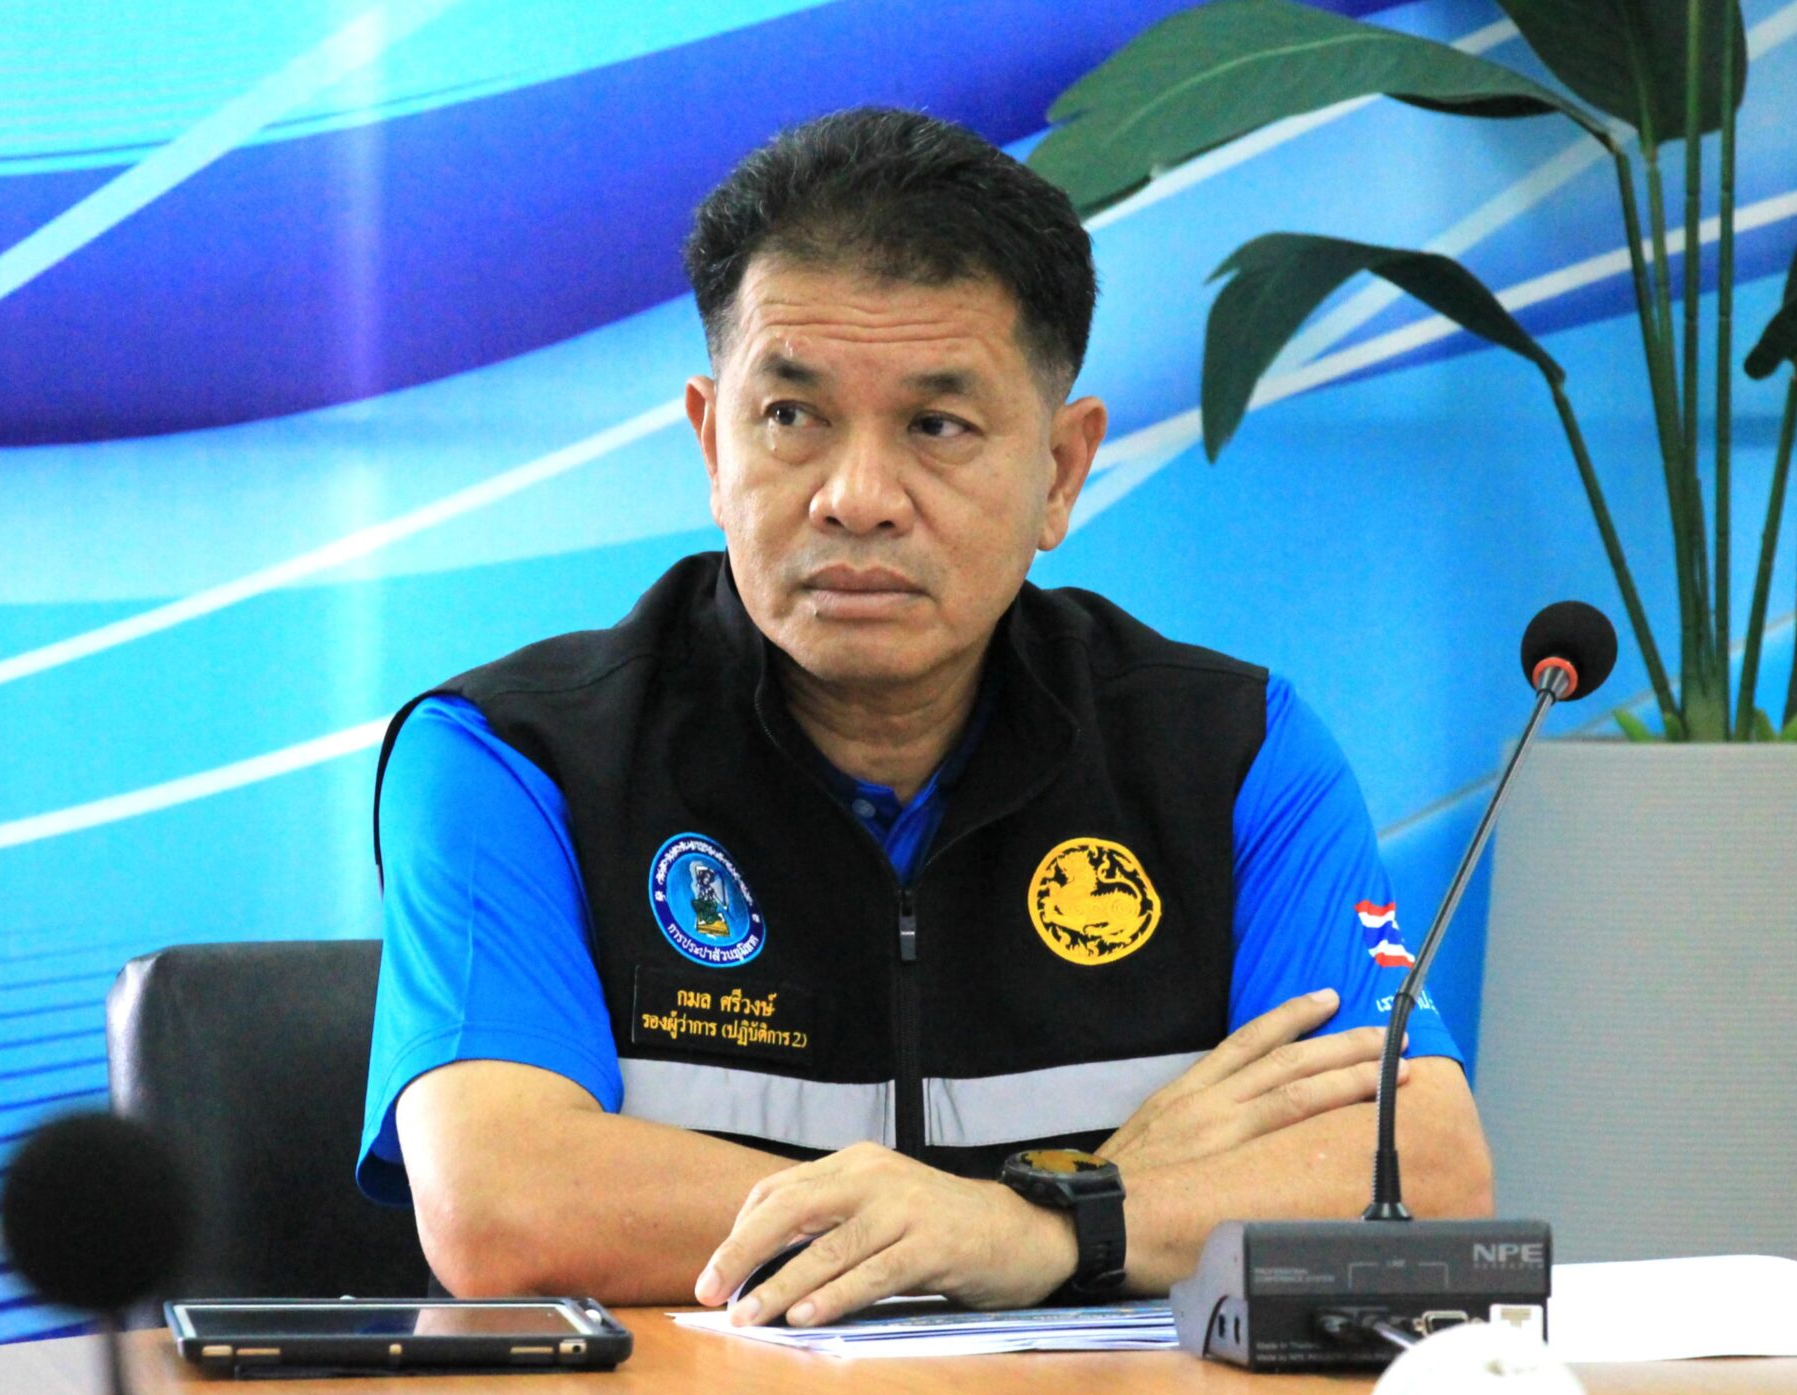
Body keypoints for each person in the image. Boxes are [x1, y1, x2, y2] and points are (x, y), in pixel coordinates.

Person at [358, 106, 1491, 1326]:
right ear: (711, 445)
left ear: (1059, 470)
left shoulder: (1233, 755)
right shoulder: (511, 757)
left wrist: (1038, 1227)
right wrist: (1048, 1206)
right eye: (790, 417)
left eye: (936, 426)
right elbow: (504, 1203)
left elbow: (1424, 1177)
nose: (856, 497)